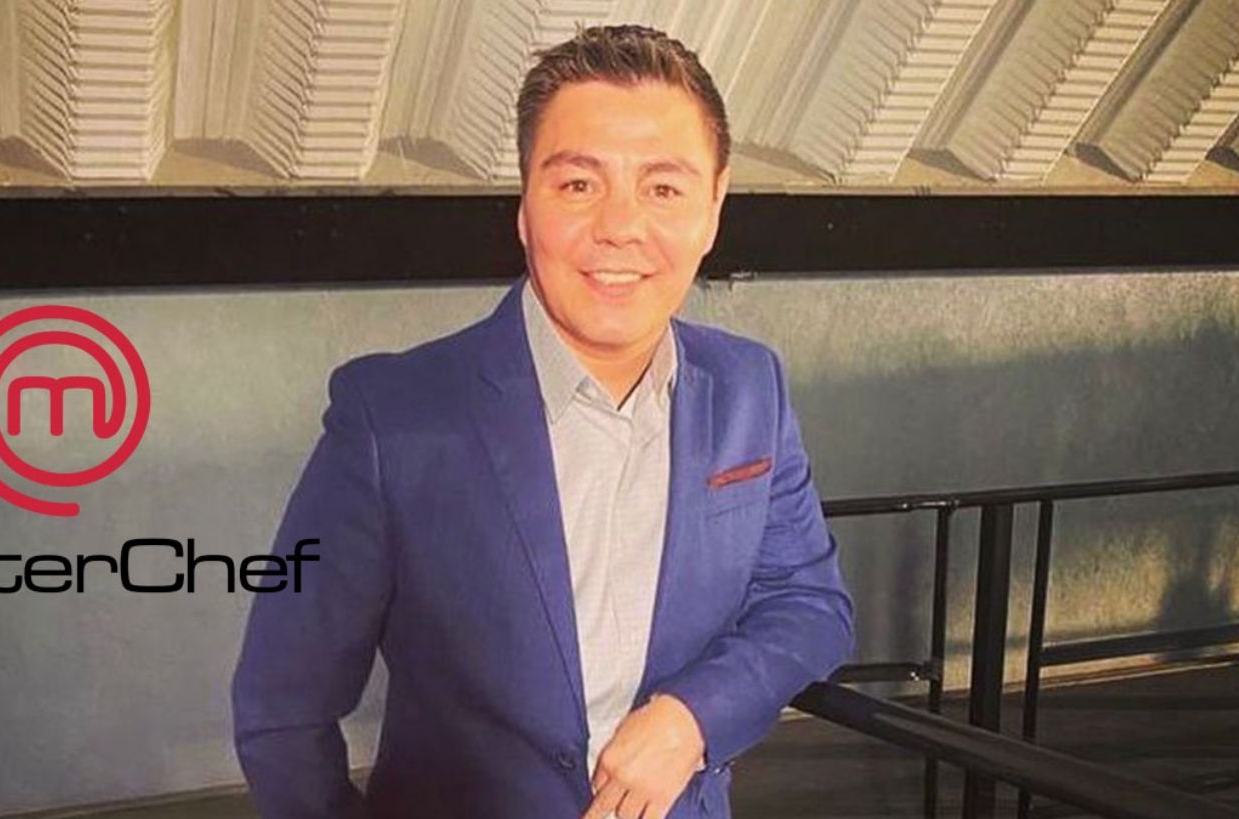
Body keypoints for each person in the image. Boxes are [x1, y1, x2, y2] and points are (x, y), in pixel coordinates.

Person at [232, 24, 854, 819]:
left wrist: (694, 717)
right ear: (525, 207)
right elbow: (281, 709)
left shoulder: (749, 388)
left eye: (663, 189)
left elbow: (810, 604)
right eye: (579, 184)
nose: (620, 226)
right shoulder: (391, 419)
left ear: (713, 208)